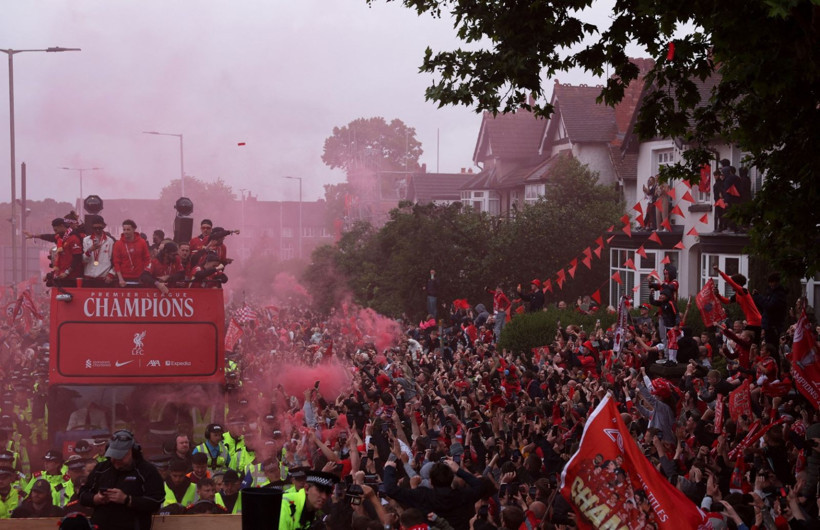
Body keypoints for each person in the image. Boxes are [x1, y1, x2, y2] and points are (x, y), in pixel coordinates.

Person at [78, 430, 164, 530]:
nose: (115, 460)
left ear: (132, 451)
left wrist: (127, 499)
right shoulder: (101, 468)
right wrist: (96, 498)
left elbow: (156, 501)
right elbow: (82, 495)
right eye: (113, 456)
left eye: (120, 456)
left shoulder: (147, 471)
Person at [383, 456, 484, 530]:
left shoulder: (423, 496)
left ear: (431, 482)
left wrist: (389, 468)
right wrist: (458, 470)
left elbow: (391, 490)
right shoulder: (462, 495)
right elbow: (479, 485)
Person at [112, 219, 153, 289]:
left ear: (134, 229)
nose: (126, 232)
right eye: (124, 229)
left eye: (128, 229)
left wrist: (145, 276)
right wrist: (120, 279)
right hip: (124, 279)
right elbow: (116, 263)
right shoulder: (118, 244)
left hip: (140, 278)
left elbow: (147, 259)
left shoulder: (142, 242)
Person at [81, 216, 116, 287]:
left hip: (104, 278)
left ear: (104, 226)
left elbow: (115, 260)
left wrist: (111, 274)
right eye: (95, 228)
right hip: (89, 277)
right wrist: (90, 250)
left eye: (100, 228)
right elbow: (83, 260)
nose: (97, 230)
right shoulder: (86, 240)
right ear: (92, 227)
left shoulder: (110, 241)